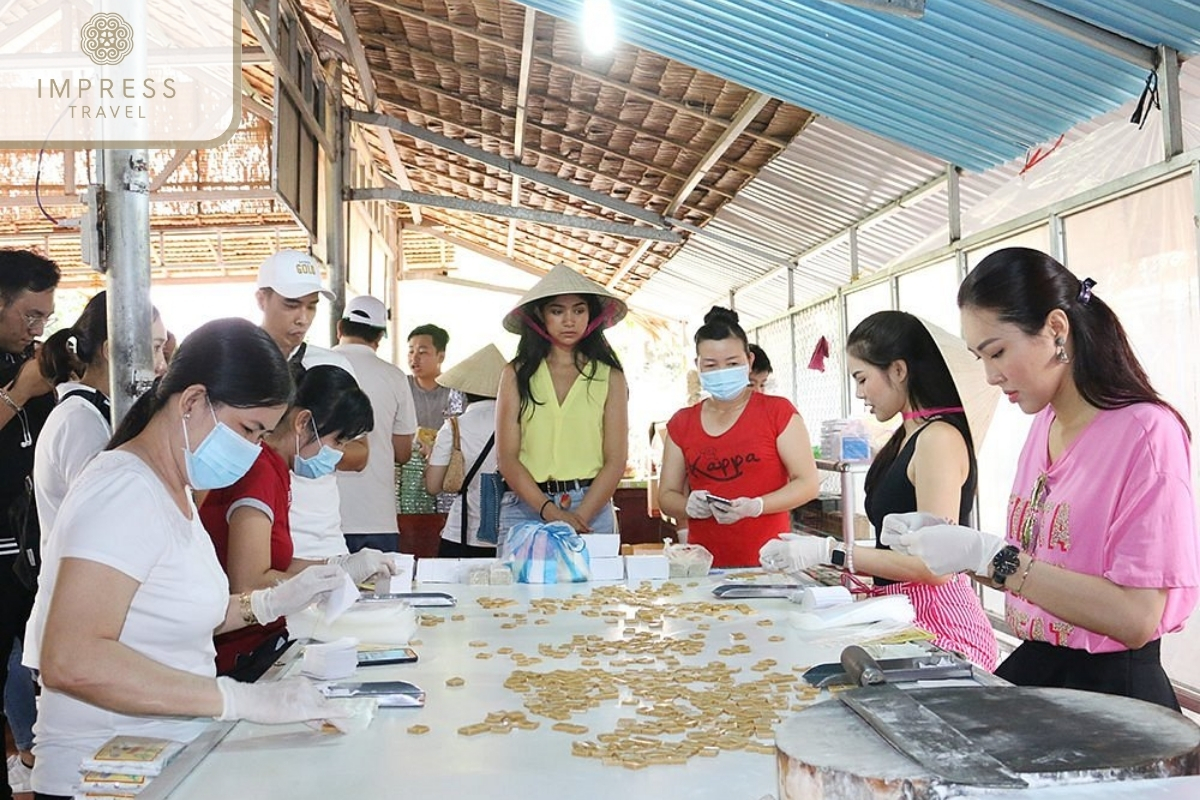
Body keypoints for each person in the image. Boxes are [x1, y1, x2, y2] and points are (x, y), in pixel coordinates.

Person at [25, 318, 354, 799]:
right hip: (103, 776)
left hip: (165, 761)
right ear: (193, 401)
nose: (253, 449)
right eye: (249, 429)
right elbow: (73, 659)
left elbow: (168, 613)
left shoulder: (175, 488)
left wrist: (269, 602)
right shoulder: (123, 490)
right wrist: (238, 697)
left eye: (263, 435)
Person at [884, 247, 1198, 710]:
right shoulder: (1043, 425)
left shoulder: (1147, 433)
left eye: (998, 352)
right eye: (980, 359)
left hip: (1111, 696)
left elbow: (1135, 617)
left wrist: (996, 559)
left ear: (1055, 329)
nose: (991, 376)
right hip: (1040, 670)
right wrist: (958, 547)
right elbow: (1039, 567)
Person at [760, 311, 997, 669]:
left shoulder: (938, 440)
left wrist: (831, 552)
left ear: (898, 371)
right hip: (898, 611)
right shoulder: (905, 437)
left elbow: (934, 568)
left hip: (940, 624)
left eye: (862, 378)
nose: (859, 393)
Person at [7, 294, 168, 789]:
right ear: (109, 350)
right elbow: (106, 520)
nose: (161, 364)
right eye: (155, 349)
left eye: (164, 350)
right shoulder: (80, 419)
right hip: (79, 612)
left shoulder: (99, 413)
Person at [200, 364, 384, 680]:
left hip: (263, 641)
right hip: (239, 656)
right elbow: (248, 583)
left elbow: (273, 560)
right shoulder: (259, 470)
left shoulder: (277, 469)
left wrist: (338, 565)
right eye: (338, 441)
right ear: (303, 422)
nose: (339, 454)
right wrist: (316, 585)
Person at [658, 307, 819, 567]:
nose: (722, 371)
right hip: (704, 566)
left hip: (770, 563)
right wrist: (688, 506)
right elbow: (666, 495)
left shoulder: (778, 412)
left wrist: (757, 505)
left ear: (749, 360)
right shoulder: (682, 423)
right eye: (711, 365)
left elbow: (808, 484)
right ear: (698, 366)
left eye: (732, 363)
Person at [495, 264, 628, 545]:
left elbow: (616, 460)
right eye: (557, 311)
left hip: (591, 505)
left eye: (579, 310)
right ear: (540, 317)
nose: (569, 320)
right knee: (520, 591)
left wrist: (580, 516)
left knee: (594, 590)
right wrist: (550, 511)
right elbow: (507, 457)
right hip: (526, 505)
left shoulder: (610, 376)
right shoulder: (515, 373)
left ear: (592, 315)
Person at [255, 250, 366, 562]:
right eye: (291, 305)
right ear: (262, 299)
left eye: (312, 306)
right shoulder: (238, 362)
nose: (302, 318)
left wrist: (318, 449)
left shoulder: (332, 365)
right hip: (255, 533)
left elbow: (361, 453)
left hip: (323, 538)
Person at [0, 249, 59, 800]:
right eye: (30, 316)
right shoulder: (21, 377)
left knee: (31, 657)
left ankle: (32, 757)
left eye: (47, 318)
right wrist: (21, 391)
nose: (39, 329)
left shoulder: (33, 364)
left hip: (30, 545)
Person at [333, 295, 417, 554]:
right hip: (376, 517)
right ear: (379, 337)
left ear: (340, 328)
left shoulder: (310, 365)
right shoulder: (394, 377)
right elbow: (403, 453)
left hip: (320, 517)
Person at [426, 345, 506, 558]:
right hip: (510, 534)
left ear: (464, 391)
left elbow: (433, 486)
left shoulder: (454, 427)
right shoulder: (520, 425)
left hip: (461, 532)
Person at [398, 323, 458, 555]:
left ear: (440, 356)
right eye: (411, 351)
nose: (415, 358)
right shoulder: (401, 386)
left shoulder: (453, 391)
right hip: (407, 479)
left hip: (443, 477)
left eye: (422, 352)